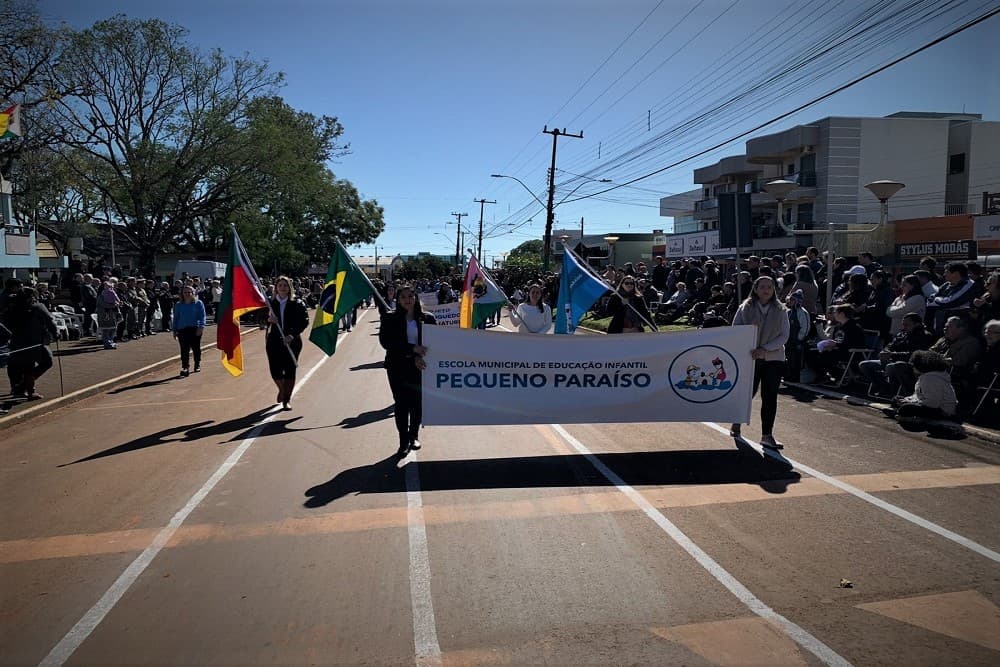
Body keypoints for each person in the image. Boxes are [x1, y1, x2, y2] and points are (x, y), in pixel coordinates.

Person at [730, 276, 790, 449]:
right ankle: (737, 421)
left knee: (770, 396)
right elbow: (735, 330)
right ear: (755, 289)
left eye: (769, 287)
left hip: (774, 358)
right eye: (762, 287)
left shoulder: (781, 309)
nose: (766, 290)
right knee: (748, 392)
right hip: (751, 357)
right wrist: (749, 340)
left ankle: (767, 435)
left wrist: (765, 349)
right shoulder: (745, 307)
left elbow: (784, 335)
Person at [380, 285, 436, 456]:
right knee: (401, 404)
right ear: (398, 300)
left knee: (417, 403)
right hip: (397, 366)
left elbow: (434, 343)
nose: (407, 299)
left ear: (416, 298)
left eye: (411, 296)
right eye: (403, 296)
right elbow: (386, 342)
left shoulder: (428, 318)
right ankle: (403, 440)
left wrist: (419, 356)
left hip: (420, 367)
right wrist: (412, 350)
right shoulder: (390, 318)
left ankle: (414, 436)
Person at [5, 287, 59, 400]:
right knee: (46, 362)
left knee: (24, 366)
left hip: (17, 341)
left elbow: (6, 323)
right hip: (36, 341)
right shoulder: (38, 307)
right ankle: (26, 389)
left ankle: (21, 388)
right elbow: (50, 321)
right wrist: (56, 333)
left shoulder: (12, 307)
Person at [266, 276, 309, 409]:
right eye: (280, 285)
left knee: (290, 370)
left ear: (289, 288)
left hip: (292, 341)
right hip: (274, 341)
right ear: (276, 288)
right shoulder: (270, 303)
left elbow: (304, 321)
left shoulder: (297, 303)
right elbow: (260, 318)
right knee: (275, 370)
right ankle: (282, 389)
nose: (282, 288)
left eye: (285, 285)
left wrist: (291, 335)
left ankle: (286, 400)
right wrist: (268, 319)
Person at [895, 350, 958, 425]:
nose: (913, 368)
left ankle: (917, 419)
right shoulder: (926, 376)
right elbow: (919, 396)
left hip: (942, 411)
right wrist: (907, 399)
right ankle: (903, 413)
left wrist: (910, 402)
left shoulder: (931, 379)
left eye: (914, 366)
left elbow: (933, 403)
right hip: (932, 406)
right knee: (897, 399)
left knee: (906, 408)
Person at [171, 285, 206, 377]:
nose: (187, 294)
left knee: (196, 348)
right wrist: (174, 330)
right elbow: (176, 318)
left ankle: (197, 364)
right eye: (185, 292)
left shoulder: (198, 303)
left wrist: (201, 327)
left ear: (193, 293)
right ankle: (185, 367)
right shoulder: (179, 305)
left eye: (189, 292)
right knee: (184, 349)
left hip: (195, 329)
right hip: (182, 329)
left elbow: (202, 316)